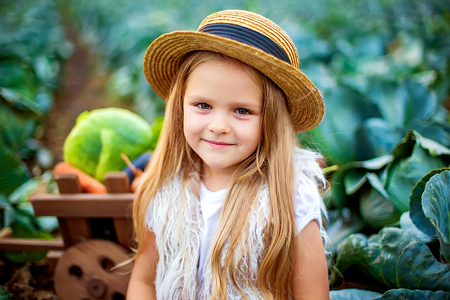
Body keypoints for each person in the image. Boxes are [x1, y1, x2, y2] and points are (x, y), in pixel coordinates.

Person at [127, 9, 330, 300]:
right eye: (203, 105)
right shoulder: (165, 189)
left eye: (242, 111)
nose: (219, 126)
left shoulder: (288, 198)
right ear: (180, 106)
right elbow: (144, 282)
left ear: (271, 120)